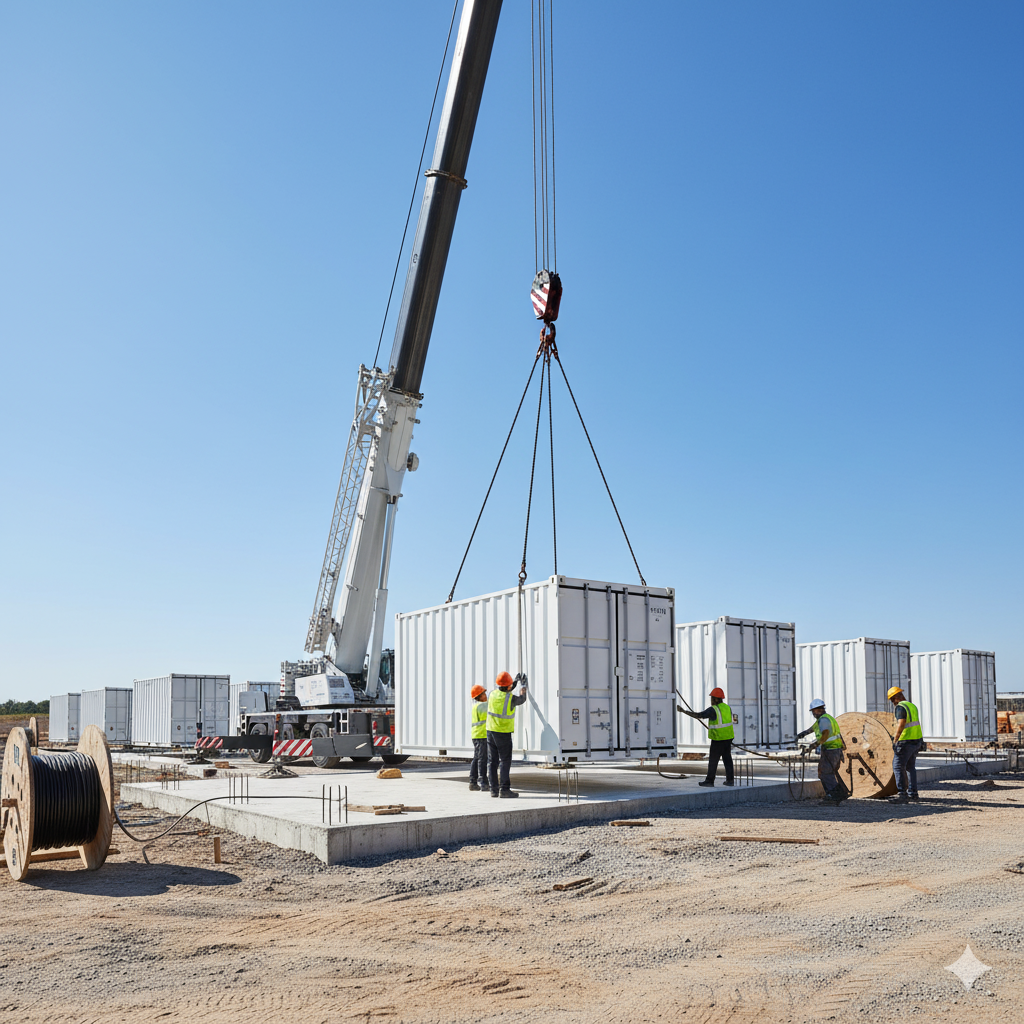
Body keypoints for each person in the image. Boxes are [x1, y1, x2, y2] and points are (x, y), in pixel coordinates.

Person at [796, 698, 849, 804]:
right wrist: (802, 734)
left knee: (825, 773)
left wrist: (814, 745)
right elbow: (813, 728)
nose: (813, 714)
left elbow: (825, 735)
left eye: (813, 711)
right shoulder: (826, 718)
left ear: (817, 710)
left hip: (831, 750)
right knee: (825, 772)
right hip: (834, 750)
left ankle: (835, 796)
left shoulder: (824, 720)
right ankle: (836, 794)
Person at [679, 687, 734, 787]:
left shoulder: (714, 709)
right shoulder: (727, 708)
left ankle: (709, 781)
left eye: (712, 698)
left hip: (718, 740)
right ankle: (730, 781)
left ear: (715, 699)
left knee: (713, 761)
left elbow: (699, 715)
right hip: (728, 739)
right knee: (727, 760)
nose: (711, 700)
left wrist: (684, 711)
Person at [487, 670, 528, 798]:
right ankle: (504, 789)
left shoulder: (492, 694)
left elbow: (506, 690)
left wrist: (514, 682)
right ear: (508, 687)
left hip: (490, 731)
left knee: (492, 761)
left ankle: (493, 789)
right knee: (505, 760)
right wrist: (523, 688)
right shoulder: (511, 698)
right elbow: (521, 699)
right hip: (503, 733)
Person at [887, 685, 922, 803]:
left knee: (898, 766)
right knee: (910, 767)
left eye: (892, 699)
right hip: (916, 740)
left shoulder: (900, 707)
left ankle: (902, 794)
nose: (892, 702)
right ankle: (913, 794)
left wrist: (895, 739)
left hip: (905, 741)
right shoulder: (912, 705)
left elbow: (901, 723)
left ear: (897, 697)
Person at [468, 684, 489, 791]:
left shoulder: (476, 706)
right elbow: (494, 706)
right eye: (483, 694)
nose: (486, 696)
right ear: (478, 696)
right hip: (481, 735)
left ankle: (472, 782)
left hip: (476, 735)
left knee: (477, 758)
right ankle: (483, 782)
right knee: (482, 759)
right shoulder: (483, 706)